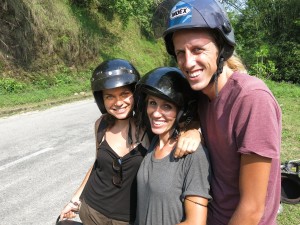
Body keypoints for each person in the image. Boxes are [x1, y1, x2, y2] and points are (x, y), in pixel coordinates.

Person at [153, 0, 282, 224]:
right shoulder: (201, 95)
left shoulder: (252, 99)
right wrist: (195, 128)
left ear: (221, 49)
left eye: (197, 50)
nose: (188, 62)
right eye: (180, 53)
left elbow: (252, 208)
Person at [58, 59, 201, 224]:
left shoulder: (151, 128)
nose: (118, 102)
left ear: (135, 95)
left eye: (124, 94)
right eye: (110, 96)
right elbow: (98, 164)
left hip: (127, 219)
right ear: (101, 100)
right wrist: (75, 200)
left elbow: (183, 120)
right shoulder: (101, 124)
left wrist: (194, 131)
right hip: (91, 211)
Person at [134, 67, 211, 225]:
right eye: (152, 103)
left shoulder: (193, 155)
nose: (156, 113)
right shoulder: (154, 141)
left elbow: (196, 222)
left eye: (167, 106)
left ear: (182, 112)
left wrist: (194, 130)